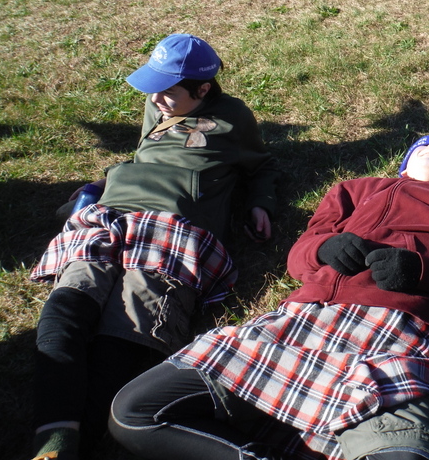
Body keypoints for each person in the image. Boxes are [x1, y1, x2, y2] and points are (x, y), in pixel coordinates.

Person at [108, 134, 429, 460]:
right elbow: (300, 255)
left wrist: (423, 271)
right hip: (299, 324)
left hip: (393, 337)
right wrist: (325, 248)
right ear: (403, 164)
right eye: (425, 144)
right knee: (133, 413)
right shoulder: (355, 189)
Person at [30, 34, 281, 460]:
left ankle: (76, 447)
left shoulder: (232, 116)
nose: (155, 99)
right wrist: (103, 182)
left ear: (203, 89)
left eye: (167, 91)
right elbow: (148, 152)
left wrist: (262, 203)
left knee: (123, 335)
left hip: (173, 226)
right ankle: (53, 442)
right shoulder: (158, 106)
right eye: (152, 88)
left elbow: (263, 164)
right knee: (65, 313)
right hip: (112, 213)